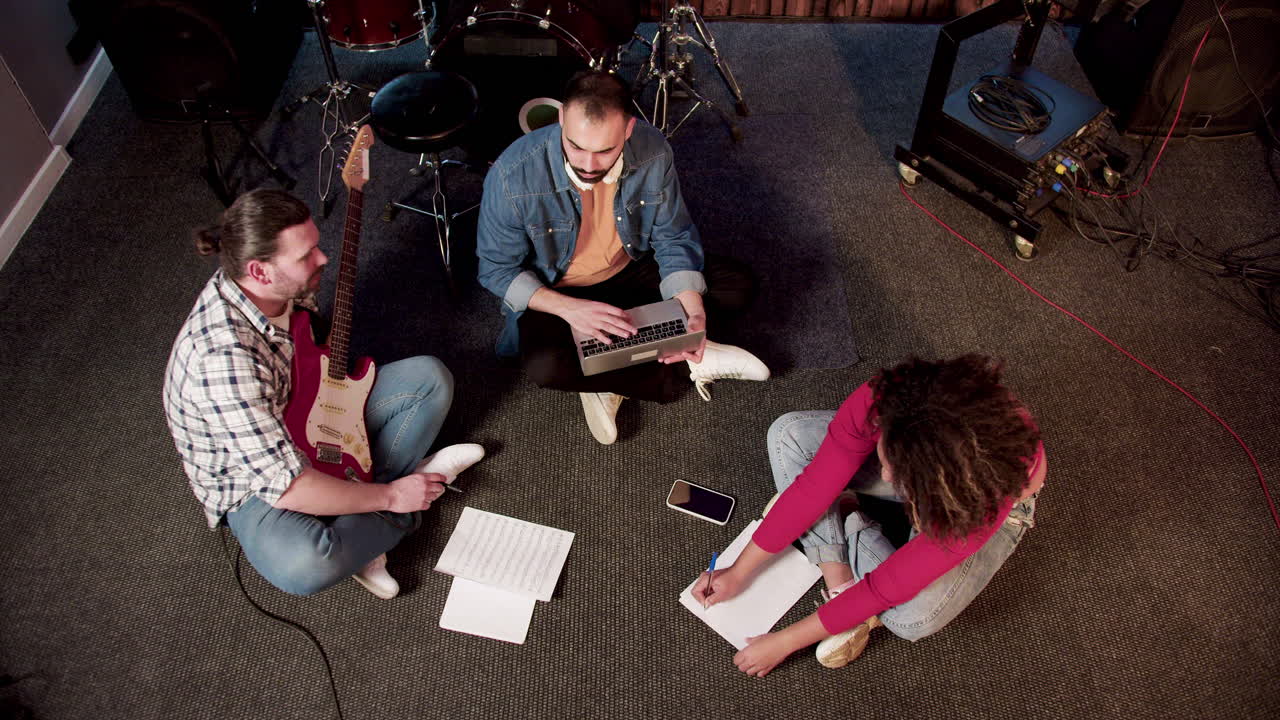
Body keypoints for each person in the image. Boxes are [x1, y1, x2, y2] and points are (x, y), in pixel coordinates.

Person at [162, 189, 485, 599]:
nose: (323, 260)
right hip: (256, 482)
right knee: (307, 564)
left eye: (316, 245)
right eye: (307, 255)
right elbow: (288, 485)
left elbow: (314, 343)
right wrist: (389, 495)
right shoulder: (224, 363)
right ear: (259, 271)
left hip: (305, 410)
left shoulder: (277, 284)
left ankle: (370, 526)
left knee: (430, 379)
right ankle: (407, 494)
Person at [692, 354, 1046, 676]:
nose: (887, 478)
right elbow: (813, 487)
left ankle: (848, 517)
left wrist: (785, 641)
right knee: (790, 435)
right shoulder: (888, 397)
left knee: (912, 619)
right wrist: (739, 571)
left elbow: (887, 587)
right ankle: (840, 576)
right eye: (888, 460)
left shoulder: (980, 497)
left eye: (900, 476)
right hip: (933, 470)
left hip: (971, 503)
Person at [476, 70, 769, 445]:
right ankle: (682, 366)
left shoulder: (654, 149)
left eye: (605, 151)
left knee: (737, 286)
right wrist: (572, 310)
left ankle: (610, 365)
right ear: (562, 119)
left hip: (628, 266)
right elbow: (496, 271)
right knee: (544, 367)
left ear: (628, 130)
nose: (589, 164)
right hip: (559, 289)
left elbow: (673, 235)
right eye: (576, 146)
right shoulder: (511, 174)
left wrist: (690, 307)